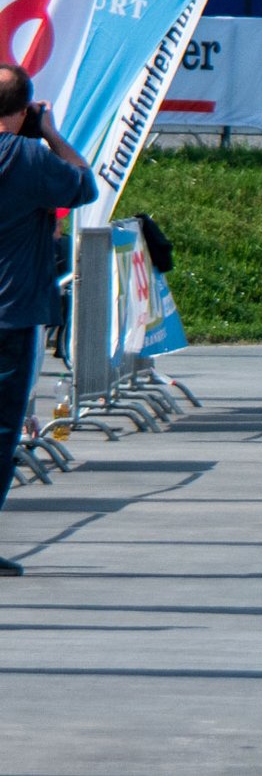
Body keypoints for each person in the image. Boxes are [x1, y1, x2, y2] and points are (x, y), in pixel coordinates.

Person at [0, 63, 97, 576]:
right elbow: (84, 184)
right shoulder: (31, 157)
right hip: (12, 314)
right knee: (1, 430)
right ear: (21, 113)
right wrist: (52, 132)